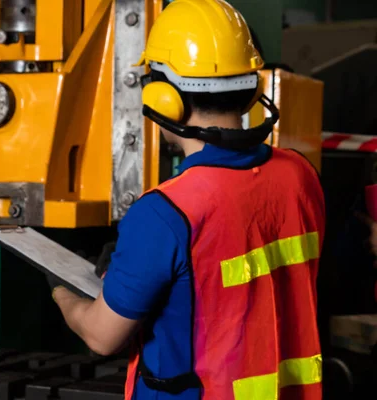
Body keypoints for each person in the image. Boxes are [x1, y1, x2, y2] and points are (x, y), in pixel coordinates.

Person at [49, 1, 325, 399]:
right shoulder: (300, 175)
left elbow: (100, 335)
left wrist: (60, 290)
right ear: (251, 88)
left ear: (164, 98)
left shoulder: (165, 212)